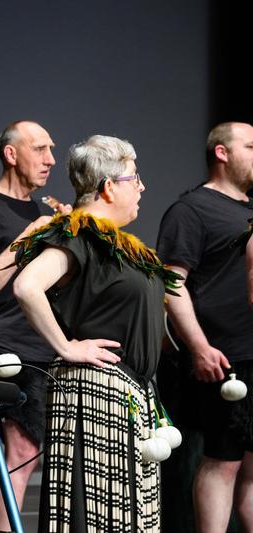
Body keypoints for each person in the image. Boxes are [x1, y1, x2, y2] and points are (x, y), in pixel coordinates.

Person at [13, 135, 180, 531]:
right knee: (96, 517)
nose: (142, 187)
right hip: (95, 393)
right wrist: (66, 347)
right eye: (134, 177)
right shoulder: (78, 235)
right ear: (108, 186)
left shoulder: (123, 248)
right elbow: (26, 286)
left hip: (129, 395)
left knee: (126, 517)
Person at [0, 120, 67, 531]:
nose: (50, 160)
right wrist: (25, 240)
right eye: (40, 149)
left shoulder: (45, 211)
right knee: (22, 451)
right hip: (9, 348)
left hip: (54, 345)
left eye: (51, 149)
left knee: (52, 457)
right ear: (11, 154)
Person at [156, 122, 253, 533]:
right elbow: (171, 282)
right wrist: (197, 346)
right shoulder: (192, 209)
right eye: (251, 145)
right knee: (223, 460)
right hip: (225, 355)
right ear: (222, 152)